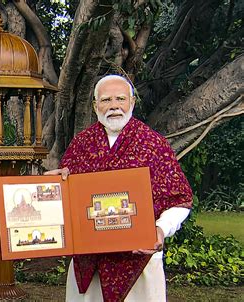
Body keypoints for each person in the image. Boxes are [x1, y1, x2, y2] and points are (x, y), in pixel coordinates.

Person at [45, 74, 193, 302]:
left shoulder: (153, 144)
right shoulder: (81, 144)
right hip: (89, 264)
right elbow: (69, 200)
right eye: (106, 100)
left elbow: (180, 199)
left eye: (120, 99)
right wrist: (56, 186)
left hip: (139, 264)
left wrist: (161, 229)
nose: (114, 106)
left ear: (132, 102)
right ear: (95, 106)